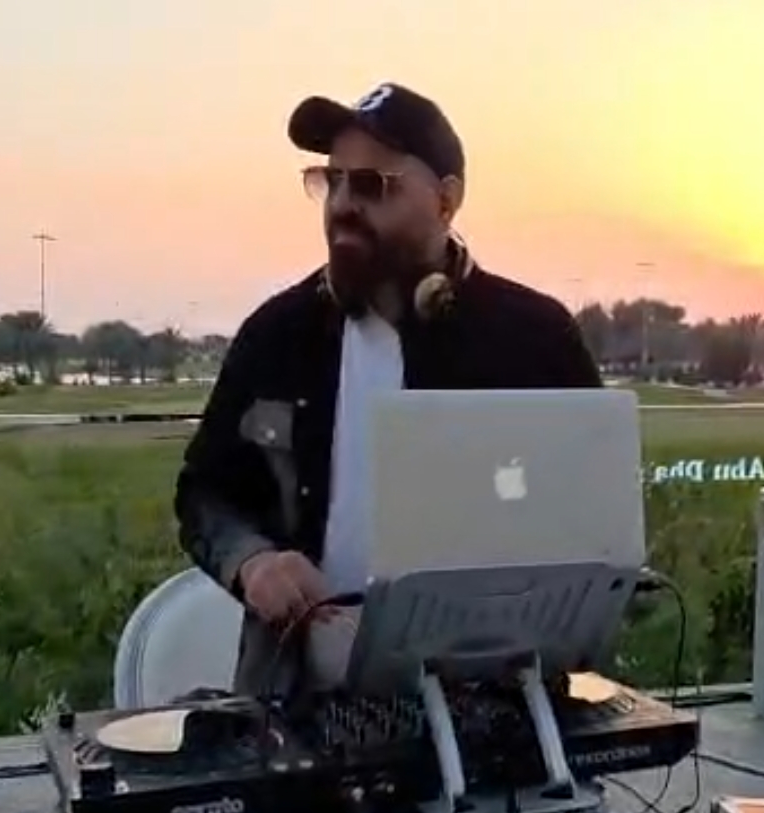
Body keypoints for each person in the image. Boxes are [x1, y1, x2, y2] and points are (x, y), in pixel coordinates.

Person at [175, 81, 602, 694]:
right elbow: (205, 492)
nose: (344, 204)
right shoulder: (276, 334)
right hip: (301, 701)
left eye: (373, 185)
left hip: (496, 699)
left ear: (446, 200)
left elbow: (589, 519)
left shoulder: (535, 337)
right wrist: (252, 561)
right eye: (332, 181)